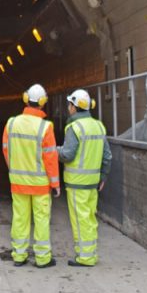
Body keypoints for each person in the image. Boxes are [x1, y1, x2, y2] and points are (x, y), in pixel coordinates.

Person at [2, 84, 60, 268]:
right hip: (40, 185)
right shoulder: (45, 127)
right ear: (43, 103)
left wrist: (14, 170)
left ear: (26, 99)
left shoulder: (11, 123)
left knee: (20, 218)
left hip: (18, 183)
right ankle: (43, 258)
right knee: (41, 220)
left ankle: (19, 256)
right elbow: (50, 158)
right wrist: (55, 183)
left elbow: (6, 150)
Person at [58, 89, 112, 267]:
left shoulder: (74, 128)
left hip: (77, 184)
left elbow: (68, 155)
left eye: (69, 104)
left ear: (74, 107)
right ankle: (91, 253)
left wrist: (53, 150)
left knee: (80, 220)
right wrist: (103, 176)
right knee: (89, 218)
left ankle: (85, 257)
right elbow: (107, 156)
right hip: (92, 183)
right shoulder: (98, 126)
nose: (68, 108)